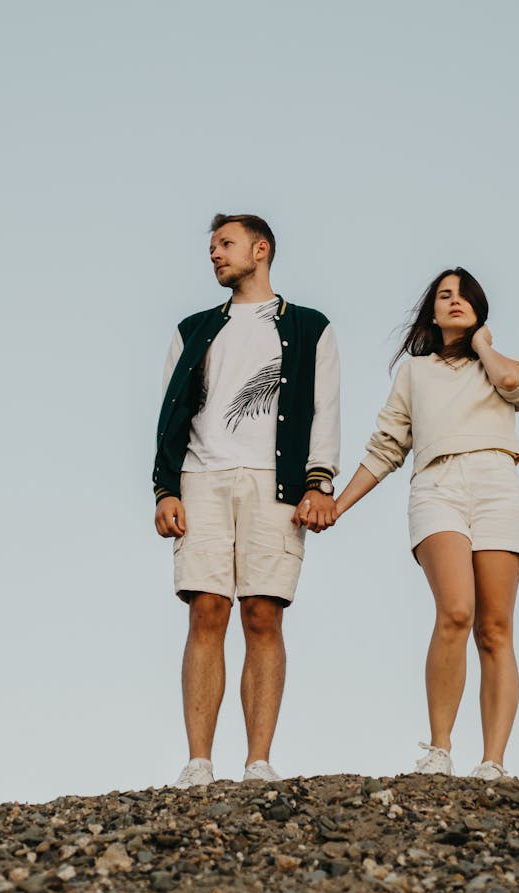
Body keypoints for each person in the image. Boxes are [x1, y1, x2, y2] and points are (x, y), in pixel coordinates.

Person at [153, 213, 340, 787]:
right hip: (201, 479)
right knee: (205, 610)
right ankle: (199, 762)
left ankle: (258, 761)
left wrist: (320, 480)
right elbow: (170, 411)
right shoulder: (192, 328)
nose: (215, 254)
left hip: (275, 484)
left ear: (261, 250)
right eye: (212, 246)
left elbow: (324, 407)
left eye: (225, 244)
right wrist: (165, 488)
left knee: (264, 615)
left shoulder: (311, 326)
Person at [333, 267, 519, 780]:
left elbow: (513, 384)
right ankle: (439, 749)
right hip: (437, 485)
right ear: (431, 310)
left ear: (480, 308)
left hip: (496, 484)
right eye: (444, 295)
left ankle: (493, 762)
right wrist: (337, 506)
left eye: (465, 295)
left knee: (496, 629)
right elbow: (385, 448)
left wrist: (484, 344)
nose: (455, 301)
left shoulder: (501, 365)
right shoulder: (414, 372)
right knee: (457, 612)